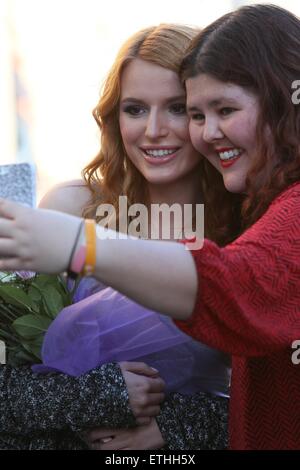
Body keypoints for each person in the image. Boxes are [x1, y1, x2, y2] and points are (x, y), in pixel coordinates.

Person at [0, 24, 230, 450]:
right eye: (136, 109)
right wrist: (96, 396)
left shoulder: (244, 231)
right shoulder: (71, 208)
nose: (154, 130)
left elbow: (274, 401)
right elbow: (7, 388)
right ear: (113, 115)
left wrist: (175, 432)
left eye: (177, 108)